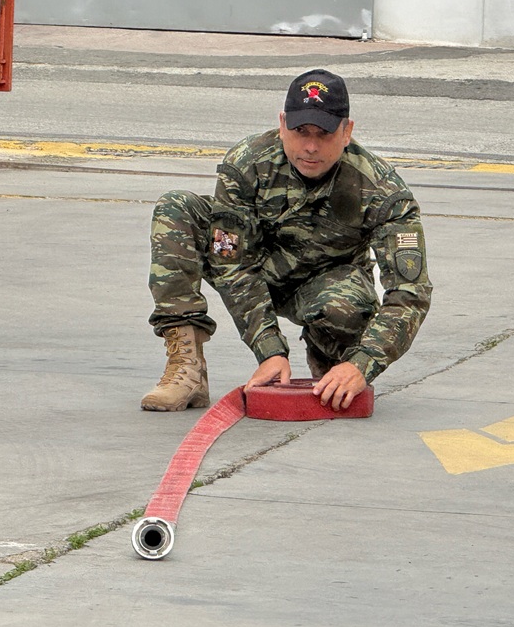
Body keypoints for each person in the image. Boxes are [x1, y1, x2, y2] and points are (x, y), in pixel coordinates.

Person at [141, 69, 432, 413]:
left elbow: (410, 293)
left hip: (324, 283)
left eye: (324, 133)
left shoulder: (382, 191)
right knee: (176, 208)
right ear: (282, 125)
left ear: (347, 131)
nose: (310, 146)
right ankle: (187, 368)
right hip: (256, 266)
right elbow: (232, 263)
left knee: (346, 310)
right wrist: (269, 351)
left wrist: (361, 364)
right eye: (300, 131)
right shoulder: (247, 164)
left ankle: (331, 365)